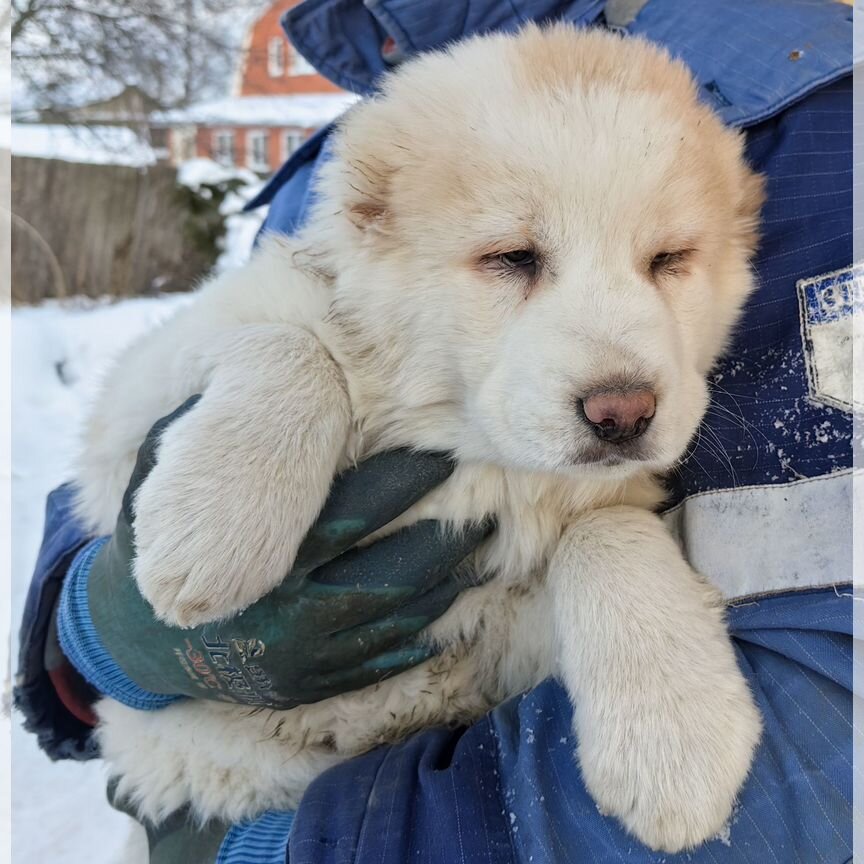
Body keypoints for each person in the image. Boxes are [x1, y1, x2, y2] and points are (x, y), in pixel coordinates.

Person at [16, 0, 855, 862]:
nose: (622, 378)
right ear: (369, 223)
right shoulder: (390, 133)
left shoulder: (813, 108)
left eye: (666, 261)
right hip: (216, 774)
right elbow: (143, 431)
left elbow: (831, 720)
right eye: (513, 259)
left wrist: (281, 851)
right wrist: (93, 630)